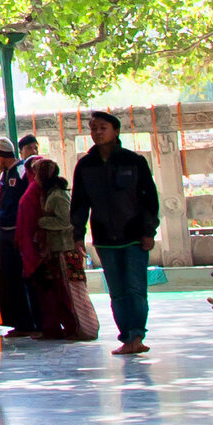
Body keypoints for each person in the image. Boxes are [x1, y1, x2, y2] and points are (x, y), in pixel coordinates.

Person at [72, 110, 161, 356]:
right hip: (104, 238)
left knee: (135, 288)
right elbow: (79, 202)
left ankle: (137, 335)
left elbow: (149, 199)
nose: (97, 133)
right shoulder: (85, 165)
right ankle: (126, 336)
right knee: (117, 292)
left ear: (115, 131)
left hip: (134, 236)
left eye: (102, 128)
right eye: (93, 129)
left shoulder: (134, 162)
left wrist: (148, 231)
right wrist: (78, 234)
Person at [25, 160, 99, 341]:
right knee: (59, 292)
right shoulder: (49, 194)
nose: (34, 178)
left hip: (66, 251)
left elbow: (66, 221)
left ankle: (83, 329)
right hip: (57, 251)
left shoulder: (58, 196)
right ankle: (70, 329)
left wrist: (41, 222)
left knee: (72, 293)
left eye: (37, 174)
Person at [0, 138, 38, 336]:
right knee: (10, 279)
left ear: (2, 154)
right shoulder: (5, 174)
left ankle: (29, 323)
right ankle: (20, 322)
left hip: (18, 232)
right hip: (6, 232)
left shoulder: (21, 171)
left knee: (22, 278)